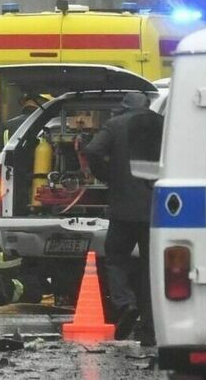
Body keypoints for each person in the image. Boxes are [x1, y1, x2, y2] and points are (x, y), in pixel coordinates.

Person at [84, 92, 161, 346]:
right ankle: (150, 331)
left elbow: (93, 150)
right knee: (152, 269)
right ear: (147, 105)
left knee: (116, 258)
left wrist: (107, 176)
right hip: (157, 211)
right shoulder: (163, 124)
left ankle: (125, 303)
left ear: (124, 107)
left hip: (123, 210)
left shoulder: (114, 125)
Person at [0, 95, 42, 173]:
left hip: (11, 181)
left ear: (24, 105)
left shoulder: (6, 127)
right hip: (44, 181)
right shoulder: (50, 126)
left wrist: (0, 173)